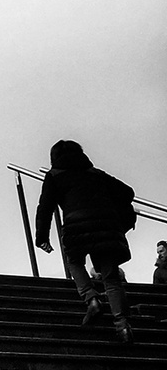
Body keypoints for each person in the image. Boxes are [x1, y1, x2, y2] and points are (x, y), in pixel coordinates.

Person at [34, 140, 136, 342]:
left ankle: (91, 298)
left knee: (74, 262)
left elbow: (45, 207)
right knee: (111, 278)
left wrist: (42, 237)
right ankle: (123, 326)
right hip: (106, 229)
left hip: (76, 228)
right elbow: (127, 192)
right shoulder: (95, 174)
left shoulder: (54, 176)